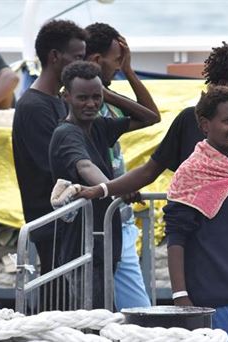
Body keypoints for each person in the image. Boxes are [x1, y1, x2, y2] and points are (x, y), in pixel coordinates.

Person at [78, 41, 228, 217]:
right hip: (199, 229)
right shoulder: (188, 121)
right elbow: (149, 171)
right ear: (223, 83)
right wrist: (103, 189)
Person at [164, 86, 228, 341]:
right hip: (216, 302)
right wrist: (179, 295)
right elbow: (176, 237)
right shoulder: (191, 173)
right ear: (205, 125)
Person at [49, 61, 137, 308]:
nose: (90, 104)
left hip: (105, 242)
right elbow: (85, 166)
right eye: (82, 97)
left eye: (96, 97)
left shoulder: (98, 126)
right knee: (92, 322)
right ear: (65, 96)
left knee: (105, 315)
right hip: (82, 247)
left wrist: (110, 92)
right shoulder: (67, 133)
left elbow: (150, 116)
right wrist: (116, 188)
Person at [84, 22, 160, 309]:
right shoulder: (82, 107)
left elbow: (151, 116)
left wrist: (127, 73)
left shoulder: (108, 103)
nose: (119, 67)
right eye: (117, 61)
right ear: (95, 60)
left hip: (121, 219)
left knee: (139, 310)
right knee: (100, 308)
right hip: (98, 221)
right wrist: (99, 89)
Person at [12, 20, 87, 276]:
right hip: (52, 225)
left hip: (70, 223)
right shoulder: (34, 107)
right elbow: (55, 166)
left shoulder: (59, 101)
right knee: (58, 300)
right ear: (55, 56)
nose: (82, 65)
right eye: (77, 57)